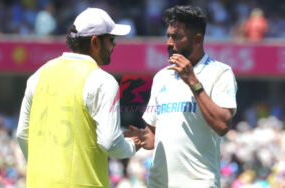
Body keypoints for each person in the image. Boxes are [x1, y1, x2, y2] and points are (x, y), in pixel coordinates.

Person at [16, 8, 142, 188]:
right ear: (95, 42)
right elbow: (110, 143)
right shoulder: (103, 81)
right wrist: (132, 145)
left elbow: (22, 134)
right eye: (111, 40)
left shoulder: (39, 75)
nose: (114, 46)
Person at [140, 5, 238, 188]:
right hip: (158, 184)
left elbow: (223, 125)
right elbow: (152, 136)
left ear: (197, 39)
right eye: (168, 36)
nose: (169, 43)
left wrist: (192, 81)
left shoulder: (220, 72)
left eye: (176, 37)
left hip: (198, 183)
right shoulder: (161, 76)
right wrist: (126, 138)